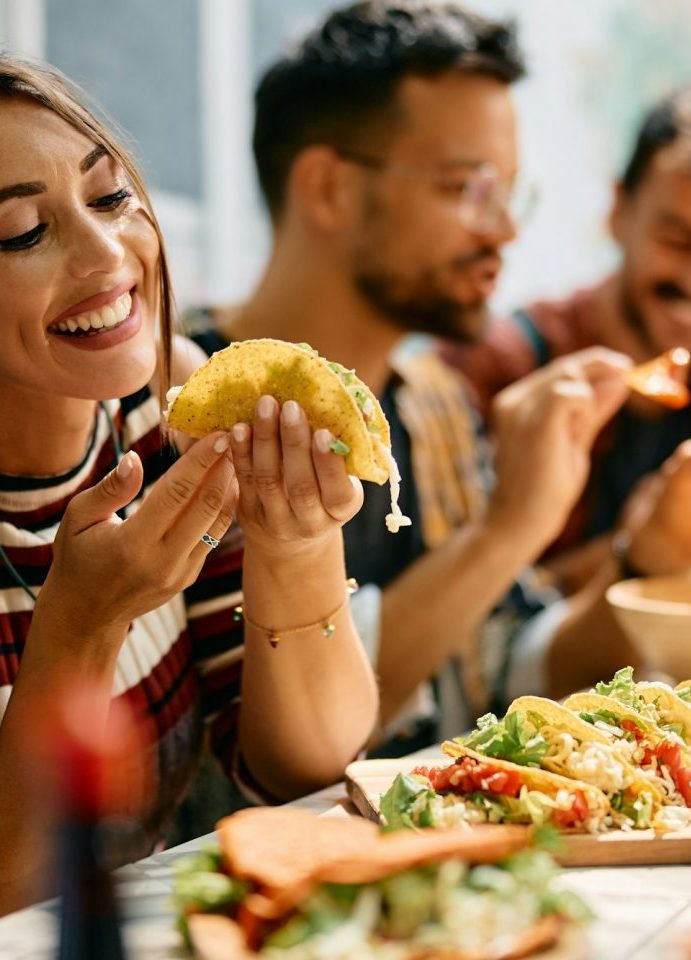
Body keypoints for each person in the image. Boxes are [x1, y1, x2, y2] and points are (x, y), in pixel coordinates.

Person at [185, 1, 669, 752]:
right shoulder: (184, 406)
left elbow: (507, 674)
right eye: (466, 188)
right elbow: (265, 758)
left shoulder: (436, 401)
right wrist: (504, 529)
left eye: (509, 193)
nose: (505, 230)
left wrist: (648, 554)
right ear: (328, 188)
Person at [0, 54, 378, 915]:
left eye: (110, 197)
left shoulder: (167, 412)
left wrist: (296, 544)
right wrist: (80, 627)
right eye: (22, 231)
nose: (108, 254)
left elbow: (304, 765)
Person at [445, 86, 691, 591]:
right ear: (619, 210)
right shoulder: (493, 366)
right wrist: (641, 547)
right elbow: (465, 634)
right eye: (678, 241)